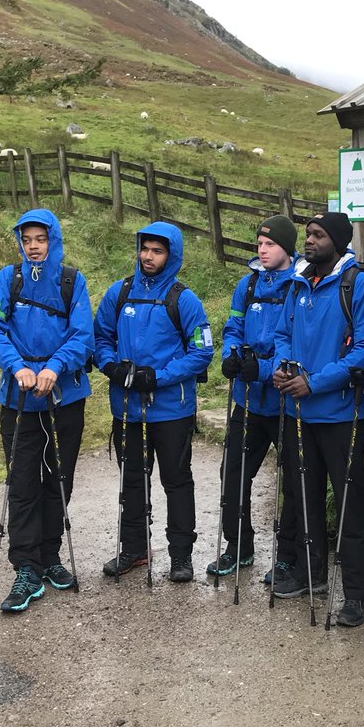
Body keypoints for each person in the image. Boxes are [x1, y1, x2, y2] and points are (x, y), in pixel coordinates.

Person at [0, 208, 93, 613]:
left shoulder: (72, 281)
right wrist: (17, 365)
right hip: (20, 397)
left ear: (53, 240)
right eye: (26, 240)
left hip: (64, 397)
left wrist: (55, 367)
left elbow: (83, 335)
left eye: (40, 239)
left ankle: (50, 555)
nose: (33, 247)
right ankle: (26, 567)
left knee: (59, 480)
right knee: (23, 482)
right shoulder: (8, 279)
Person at [271, 212, 364, 627]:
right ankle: (310, 573)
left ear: (337, 241)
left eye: (318, 235)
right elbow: (282, 334)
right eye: (307, 234)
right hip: (298, 412)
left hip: (340, 415)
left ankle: (355, 593)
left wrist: (313, 383)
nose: (309, 241)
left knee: (350, 506)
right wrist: (283, 367)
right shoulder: (298, 281)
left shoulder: (358, 284)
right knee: (304, 498)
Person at [94, 222, 213, 584]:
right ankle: (134, 548)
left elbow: (202, 352)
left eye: (157, 251)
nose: (148, 256)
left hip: (171, 409)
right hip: (127, 408)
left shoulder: (184, 299)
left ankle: (181, 554)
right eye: (144, 249)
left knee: (176, 482)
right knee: (131, 480)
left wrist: (158, 377)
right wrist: (111, 366)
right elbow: (100, 338)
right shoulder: (119, 292)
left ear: (171, 255)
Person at [207, 215, 302, 578]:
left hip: (285, 402)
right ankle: (238, 546)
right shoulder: (247, 285)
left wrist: (263, 369)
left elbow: (294, 341)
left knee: (292, 482)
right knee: (233, 473)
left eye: (270, 244)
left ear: (287, 248)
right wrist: (231, 355)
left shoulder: (298, 286)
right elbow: (233, 326)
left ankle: (288, 555)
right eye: (259, 244)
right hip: (247, 400)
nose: (262, 250)